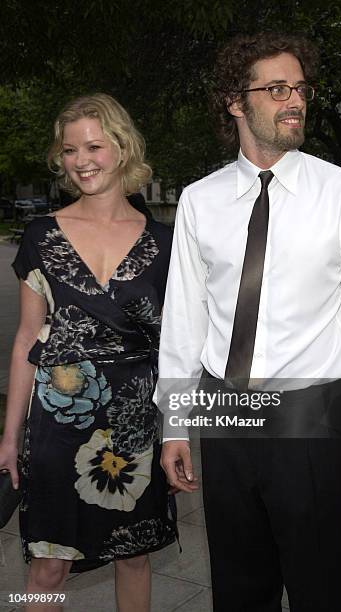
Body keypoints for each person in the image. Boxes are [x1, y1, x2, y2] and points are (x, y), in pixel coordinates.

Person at [158, 33, 341, 611]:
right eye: (276, 89)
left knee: (318, 588)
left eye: (299, 88)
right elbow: (184, 320)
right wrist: (173, 423)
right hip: (223, 413)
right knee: (238, 588)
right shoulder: (200, 199)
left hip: (313, 418)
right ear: (235, 101)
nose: (294, 100)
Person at [0, 93, 176, 612]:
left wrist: (182, 433)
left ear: (122, 149)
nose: (82, 160)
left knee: (134, 556)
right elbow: (27, 340)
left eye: (94, 146)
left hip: (136, 421)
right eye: (70, 150)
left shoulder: (166, 243)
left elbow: (180, 348)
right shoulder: (40, 235)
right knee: (47, 565)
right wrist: (10, 436)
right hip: (56, 423)